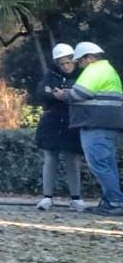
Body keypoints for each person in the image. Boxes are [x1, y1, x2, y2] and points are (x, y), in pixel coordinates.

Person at [68, 41, 123, 215]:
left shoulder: (95, 70)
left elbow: (79, 93)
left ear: (89, 58)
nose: (79, 65)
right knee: (107, 163)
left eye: (80, 61)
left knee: (99, 163)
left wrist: (63, 94)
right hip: (107, 124)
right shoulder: (108, 70)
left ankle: (115, 202)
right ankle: (110, 201)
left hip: (95, 124)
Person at [36, 42, 87, 212]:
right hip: (52, 121)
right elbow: (43, 93)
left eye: (68, 62)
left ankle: (76, 197)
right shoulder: (49, 76)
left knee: (72, 160)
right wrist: (59, 94)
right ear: (56, 63)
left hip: (73, 121)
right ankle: (47, 197)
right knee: (50, 159)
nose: (66, 66)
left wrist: (62, 94)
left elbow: (82, 95)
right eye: (62, 63)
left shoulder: (83, 75)